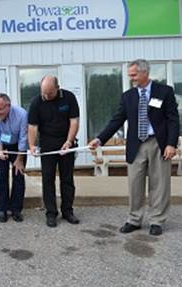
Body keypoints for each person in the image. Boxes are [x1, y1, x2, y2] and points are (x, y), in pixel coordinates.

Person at [89, 59, 180, 236]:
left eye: (134, 75)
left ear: (145, 73)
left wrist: (171, 143)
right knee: (135, 183)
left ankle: (156, 220)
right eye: (130, 75)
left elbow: (173, 119)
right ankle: (134, 219)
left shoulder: (165, 91)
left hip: (158, 143)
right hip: (136, 144)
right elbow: (117, 120)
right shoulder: (128, 96)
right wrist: (100, 139)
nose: (131, 78)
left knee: (159, 184)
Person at [27, 76, 80, 228]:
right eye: (44, 92)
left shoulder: (69, 98)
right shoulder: (37, 102)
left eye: (50, 93)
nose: (46, 96)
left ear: (58, 88)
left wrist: (69, 141)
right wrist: (31, 145)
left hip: (66, 143)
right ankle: (51, 213)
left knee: (67, 179)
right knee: (48, 179)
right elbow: (32, 126)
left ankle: (68, 211)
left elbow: (74, 121)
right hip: (47, 144)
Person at [0, 93, 27, 223]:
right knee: (1, 176)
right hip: (1, 145)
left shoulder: (21, 114)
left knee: (18, 175)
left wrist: (19, 159)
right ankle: (2, 209)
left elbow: (23, 138)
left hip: (18, 146)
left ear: (8, 106)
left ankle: (16, 209)